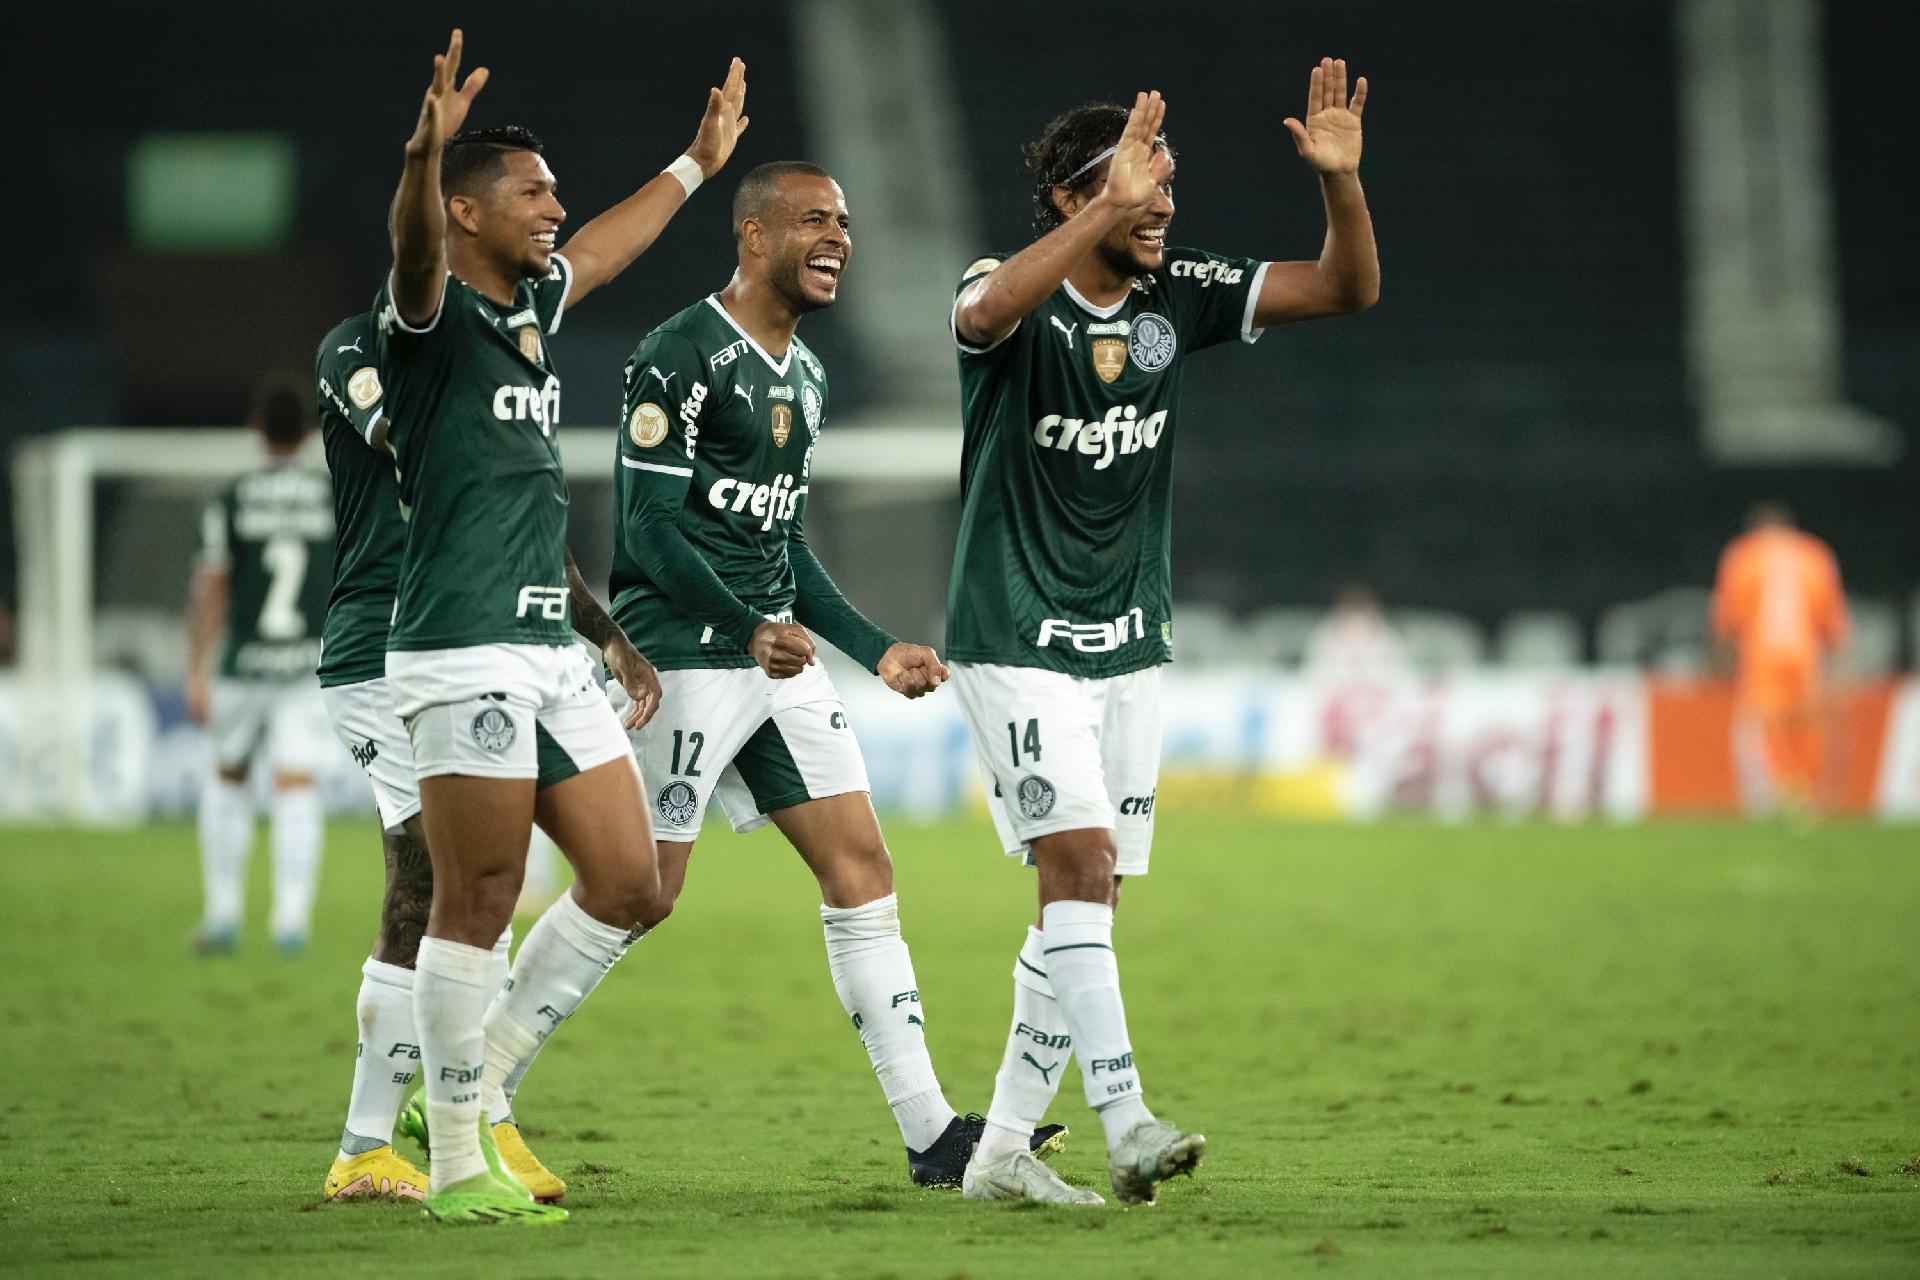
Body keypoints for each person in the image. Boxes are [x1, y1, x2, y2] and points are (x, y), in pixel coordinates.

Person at [502, 159, 1053, 1187]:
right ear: (753, 237)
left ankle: (933, 1131)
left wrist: (872, 643)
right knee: (639, 893)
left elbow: (784, 542)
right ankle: (472, 1085)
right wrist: (749, 624)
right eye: (814, 219)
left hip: (772, 655)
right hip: (684, 651)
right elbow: (653, 531)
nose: (838, 236)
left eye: (844, 219)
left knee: (863, 868)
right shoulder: (681, 353)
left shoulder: (806, 373)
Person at [945, 62, 1379, 1205]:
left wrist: (1340, 184)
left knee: (1085, 899)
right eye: (1141, 184)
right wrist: (1105, 201)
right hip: (1011, 633)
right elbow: (984, 314)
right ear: (1069, 201)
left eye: (1169, 186)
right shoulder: (1007, 289)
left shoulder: (1173, 295)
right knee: (1077, 864)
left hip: (1129, 642)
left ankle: (998, 1155)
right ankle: (1125, 1114)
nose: (1163, 205)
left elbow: (1345, 289)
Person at [372, 31, 746, 1224]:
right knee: (475, 892)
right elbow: (414, 248)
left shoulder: (532, 304)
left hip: (546, 646)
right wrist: (425, 161)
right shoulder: (426, 314)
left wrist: (694, 165)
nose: (554, 206)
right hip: (462, 643)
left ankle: (466, 1087)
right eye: (529, 191)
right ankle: (455, 1158)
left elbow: (601, 247)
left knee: (633, 881)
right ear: (468, 214)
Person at [312, 310, 660, 1204]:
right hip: (393, 642)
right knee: (438, 882)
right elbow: (408, 440)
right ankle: (383, 1143)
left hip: (514, 639)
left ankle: (466, 1102)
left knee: (594, 881)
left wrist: (607, 638)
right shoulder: (363, 347)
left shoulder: (508, 358)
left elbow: (525, 526)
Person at [186, 375, 335, 956]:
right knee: (296, 784)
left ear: (255, 432)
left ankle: (223, 915)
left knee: (227, 776)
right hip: (308, 664)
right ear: (307, 433)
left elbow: (213, 586)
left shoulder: (231, 497)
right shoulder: (331, 495)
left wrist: (197, 665)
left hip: (243, 663)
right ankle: (290, 920)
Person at [1711, 502, 1849, 816]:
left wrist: (1722, 662)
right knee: (1806, 726)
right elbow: (1833, 618)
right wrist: (1839, 666)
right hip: (1805, 655)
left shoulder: (1745, 554)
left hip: (1761, 655)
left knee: (1759, 726)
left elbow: (1725, 615)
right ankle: (1806, 800)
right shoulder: (1814, 553)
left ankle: (1764, 800)